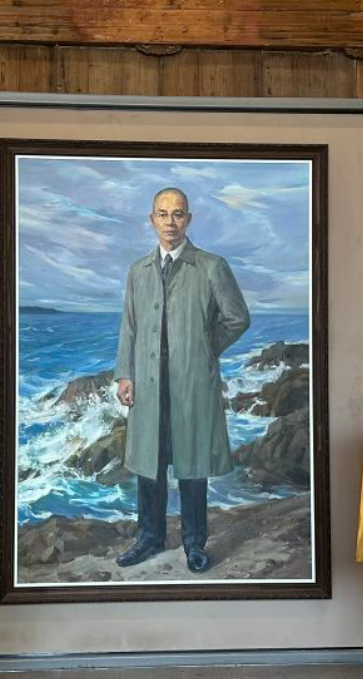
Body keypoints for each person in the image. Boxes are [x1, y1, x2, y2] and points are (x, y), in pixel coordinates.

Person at [113, 186, 250, 573]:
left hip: (191, 384)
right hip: (148, 383)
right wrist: (124, 375)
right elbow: (129, 327)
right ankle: (149, 538)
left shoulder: (211, 266)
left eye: (177, 214)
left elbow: (237, 318)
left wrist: (205, 347)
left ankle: (194, 543)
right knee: (149, 463)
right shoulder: (138, 270)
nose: (170, 221)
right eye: (163, 213)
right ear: (151, 219)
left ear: (188, 219)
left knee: (192, 464)